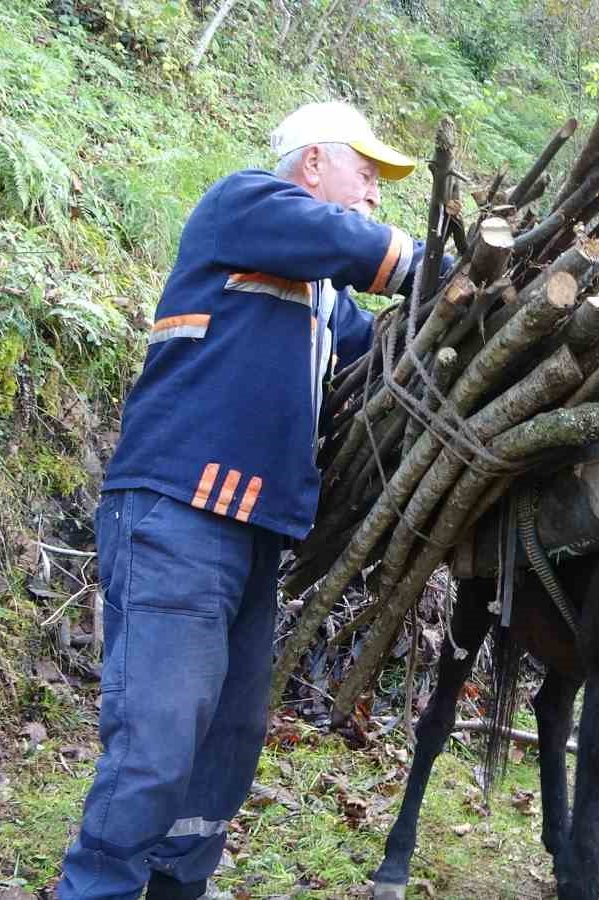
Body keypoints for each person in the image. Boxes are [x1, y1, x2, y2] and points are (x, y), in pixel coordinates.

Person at [58, 101, 428, 900]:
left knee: (226, 744)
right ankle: (97, 889)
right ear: (312, 164)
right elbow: (357, 245)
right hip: (177, 513)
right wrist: (440, 265)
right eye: (365, 175)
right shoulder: (244, 204)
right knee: (157, 740)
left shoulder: (327, 302)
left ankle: (175, 888)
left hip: (255, 532)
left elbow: (390, 355)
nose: (373, 195)